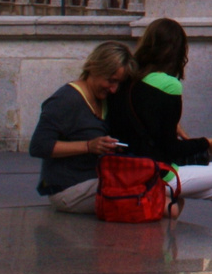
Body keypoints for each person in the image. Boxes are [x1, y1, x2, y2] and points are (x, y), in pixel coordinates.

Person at [108, 17, 212, 236]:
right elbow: (170, 149)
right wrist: (206, 144)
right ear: (179, 51)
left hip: (128, 170)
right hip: (156, 174)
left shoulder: (128, 79)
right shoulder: (169, 85)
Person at [29, 41, 134, 213]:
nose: (114, 89)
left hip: (94, 180)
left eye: (119, 84)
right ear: (95, 69)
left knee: (165, 196)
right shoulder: (66, 99)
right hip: (68, 188)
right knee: (152, 199)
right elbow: (39, 146)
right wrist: (88, 146)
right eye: (111, 81)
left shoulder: (104, 100)